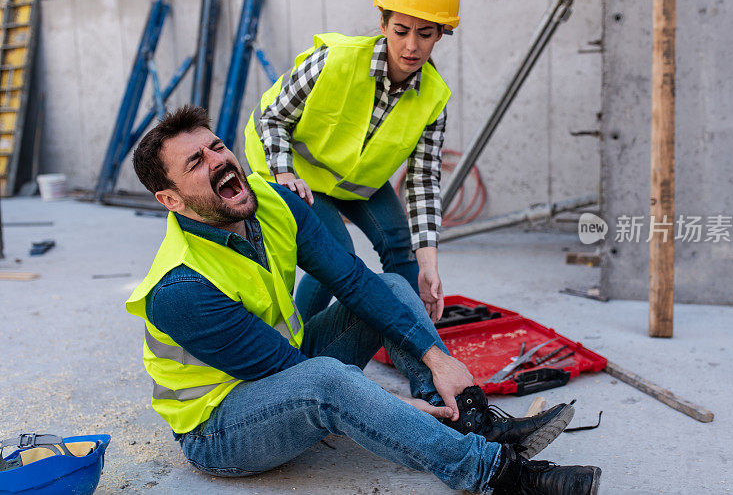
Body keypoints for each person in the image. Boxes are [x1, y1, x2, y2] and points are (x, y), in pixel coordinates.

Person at [125, 106, 601, 494]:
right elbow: (283, 370)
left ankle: (466, 418)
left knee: (390, 287)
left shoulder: (273, 203)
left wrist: (437, 358)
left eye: (217, 146)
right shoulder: (179, 287)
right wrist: (382, 406)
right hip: (220, 426)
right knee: (329, 382)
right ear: (172, 200)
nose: (219, 160)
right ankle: (496, 475)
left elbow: (353, 281)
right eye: (196, 162)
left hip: (290, 363)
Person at [243, 0, 459, 322]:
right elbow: (273, 119)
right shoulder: (334, 61)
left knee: (400, 245)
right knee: (335, 255)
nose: (411, 46)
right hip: (288, 166)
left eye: (424, 34)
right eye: (401, 30)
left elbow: (422, 183)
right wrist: (284, 177)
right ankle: (300, 350)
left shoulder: (434, 100)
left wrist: (429, 263)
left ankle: (412, 345)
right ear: (384, 24)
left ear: (440, 35)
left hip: (352, 180)